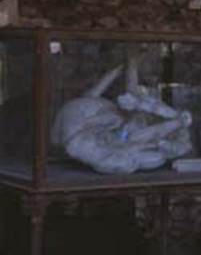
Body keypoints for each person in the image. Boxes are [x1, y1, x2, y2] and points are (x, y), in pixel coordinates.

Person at [51, 57, 192, 174]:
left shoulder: (141, 148)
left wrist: (124, 68)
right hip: (94, 131)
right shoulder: (102, 119)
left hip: (102, 135)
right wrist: (125, 67)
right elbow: (92, 99)